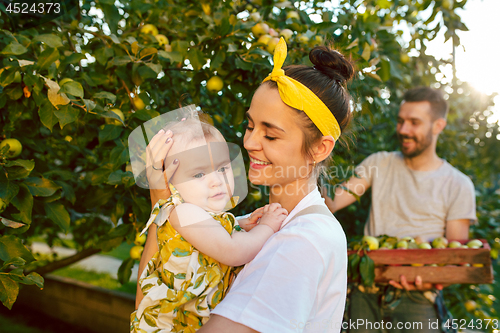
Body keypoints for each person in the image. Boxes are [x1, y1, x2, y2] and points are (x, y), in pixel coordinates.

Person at [138, 37, 355, 333]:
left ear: (319, 148)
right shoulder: (268, 223)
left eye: (271, 136)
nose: (250, 142)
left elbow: (147, 310)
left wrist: (162, 201)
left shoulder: (299, 242)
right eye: (251, 126)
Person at [322, 87, 477, 332]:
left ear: (438, 126)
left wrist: (431, 278)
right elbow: (331, 202)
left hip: (418, 297)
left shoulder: (458, 184)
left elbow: (455, 256)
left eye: (414, 122)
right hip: (366, 291)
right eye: (401, 121)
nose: (403, 130)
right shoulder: (379, 163)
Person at [130, 112, 289, 332]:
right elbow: (232, 251)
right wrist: (267, 227)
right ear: (170, 182)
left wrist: (241, 223)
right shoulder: (183, 212)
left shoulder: (195, 214)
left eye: (222, 168)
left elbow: (213, 231)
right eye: (198, 175)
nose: (217, 181)